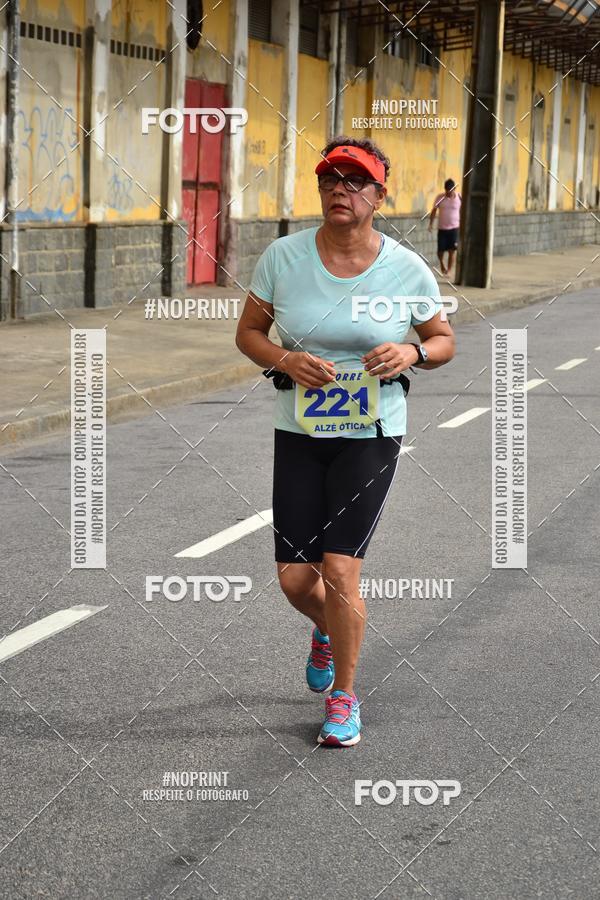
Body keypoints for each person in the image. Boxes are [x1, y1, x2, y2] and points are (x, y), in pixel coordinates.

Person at [236, 136, 455, 747]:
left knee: (338, 570)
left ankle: (343, 699)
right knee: (293, 580)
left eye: (355, 181)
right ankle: (328, 629)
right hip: (300, 431)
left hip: (371, 433)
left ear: (379, 196)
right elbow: (249, 332)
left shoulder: (406, 268)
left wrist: (412, 349)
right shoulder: (282, 257)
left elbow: (443, 341)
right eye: (331, 179)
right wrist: (286, 357)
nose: (340, 189)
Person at [429, 178, 462, 275]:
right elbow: (434, 211)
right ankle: (442, 264)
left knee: (452, 250)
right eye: (446, 191)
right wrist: (431, 224)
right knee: (440, 251)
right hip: (442, 228)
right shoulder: (440, 198)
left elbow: (463, 211)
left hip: (455, 228)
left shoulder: (459, 197)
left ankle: (448, 270)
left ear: (454, 189)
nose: (448, 193)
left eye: (450, 191)